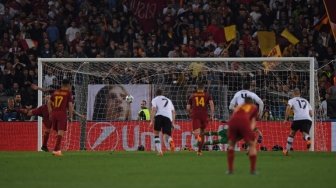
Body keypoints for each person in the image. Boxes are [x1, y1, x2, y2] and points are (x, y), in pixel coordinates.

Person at [226, 97, 259, 175]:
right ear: (251, 102)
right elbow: (253, 121)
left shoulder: (239, 106)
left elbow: (233, 115)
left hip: (232, 122)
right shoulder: (254, 107)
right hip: (244, 121)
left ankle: (230, 170)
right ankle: (253, 170)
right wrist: (249, 131)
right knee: (252, 144)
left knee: (231, 145)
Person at [186, 82, 215, 156]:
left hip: (195, 115)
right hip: (204, 115)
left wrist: (189, 113)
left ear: (197, 88)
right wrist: (212, 115)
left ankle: (196, 135)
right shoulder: (207, 95)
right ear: (203, 88)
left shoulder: (192, 95)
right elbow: (211, 104)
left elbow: (188, 107)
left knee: (197, 133)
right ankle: (199, 151)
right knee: (202, 133)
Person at [48, 79, 74, 156]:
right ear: (68, 85)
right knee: (61, 131)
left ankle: (58, 149)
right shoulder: (68, 93)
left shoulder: (56, 92)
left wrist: (50, 113)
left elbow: (49, 102)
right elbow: (70, 105)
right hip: (62, 113)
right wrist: (70, 116)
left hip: (54, 113)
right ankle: (56, 150)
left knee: (58, 131)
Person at [283, 88, 313, 156]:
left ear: (293, 93)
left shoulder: (292, 100)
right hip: (308, 119)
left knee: (292, 133)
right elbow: (311, 113)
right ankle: (308, 138)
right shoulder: (305, 100)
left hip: (298, 119)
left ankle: (286, 151)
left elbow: (288, 108)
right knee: (304, 133)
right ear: (299, 93)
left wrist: (285, 118)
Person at [149, 89, 176, 155]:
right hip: (168, 117)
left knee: (156, 134)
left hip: (159, 116)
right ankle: (170, 140)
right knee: (166, 135)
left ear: (156, 94)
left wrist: (151, 121)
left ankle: (160, 151)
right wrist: (173, 123)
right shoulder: (169, 100)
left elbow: (154, 109)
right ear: (162, 93)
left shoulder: (155, 99)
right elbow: (173, 112)